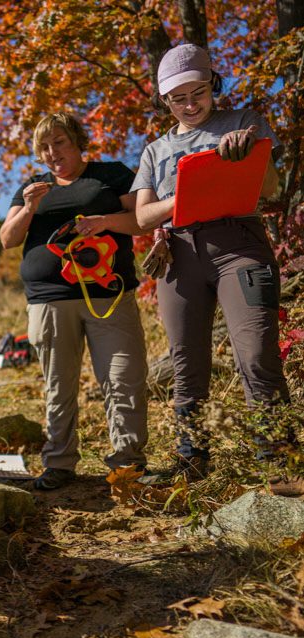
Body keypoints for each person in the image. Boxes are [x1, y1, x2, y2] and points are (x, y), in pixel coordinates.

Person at [132, 43, 290, 474]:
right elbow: (144, 215)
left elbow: (270, 187)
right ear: (165, 101)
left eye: (197, 93)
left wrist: (248, 152)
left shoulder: (243, 123)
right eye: (177, 98)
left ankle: (278, 455)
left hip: (238, 247)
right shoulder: (154, 151)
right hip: (179, 255)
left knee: (256, 349)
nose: (189, 104)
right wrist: (187, 190)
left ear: (213, 85)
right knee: (186, 360)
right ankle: (192, 456)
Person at [0, 112, 150, 490]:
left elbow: (143, 220)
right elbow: (8, 239)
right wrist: (30, 207)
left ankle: (127, 465)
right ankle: (59, 464)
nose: (52, 153)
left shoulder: (112, 174)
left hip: (109, 294)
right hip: (49, 300)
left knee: (123, 377)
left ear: (77, 141)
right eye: (44, 147)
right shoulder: (32, 187)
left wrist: (105, 222)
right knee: (58, 384)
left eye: (60, 142)